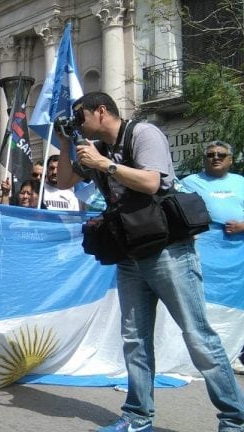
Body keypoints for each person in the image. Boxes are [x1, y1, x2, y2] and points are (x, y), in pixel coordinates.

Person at [55, 91, 244, 432]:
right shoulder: (96, 149)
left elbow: (153, 181)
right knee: (135, 339)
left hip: (168, 250)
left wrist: (106, 165)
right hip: (130, 254)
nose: (78, 123)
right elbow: (64, 180)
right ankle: (137, 416)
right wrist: (65, 142)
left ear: (101, 111)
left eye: (80, 117)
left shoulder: (143, 134)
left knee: (198, 337)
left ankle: (234, 420)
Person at [181, 140, 244, 373]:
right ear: (204, 158)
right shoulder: (188, 183)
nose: (215, 157)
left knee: (237, 304)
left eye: (221, 154)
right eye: (210, 154)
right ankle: (206, 355)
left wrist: (242, 226)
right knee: (202, 304)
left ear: (231, 159)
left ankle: (234, 351)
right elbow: (174, 210)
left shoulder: (241, 183)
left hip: (237, 257)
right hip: (204, 254)